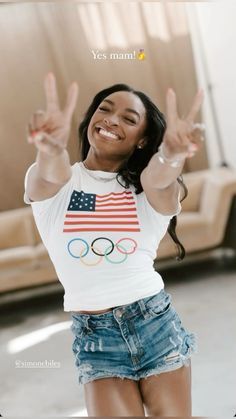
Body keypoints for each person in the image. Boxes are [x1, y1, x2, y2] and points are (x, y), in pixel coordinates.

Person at [24, 72, 204, 416]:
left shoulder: (149, 189)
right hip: (96, 338)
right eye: (104, 109)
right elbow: (52, 171)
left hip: (154, 324)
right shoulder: (58, 181)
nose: (110, 120)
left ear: (141, 140)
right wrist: (50, 148)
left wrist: (170, 154)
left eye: (128, 118)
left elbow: (159, 177)